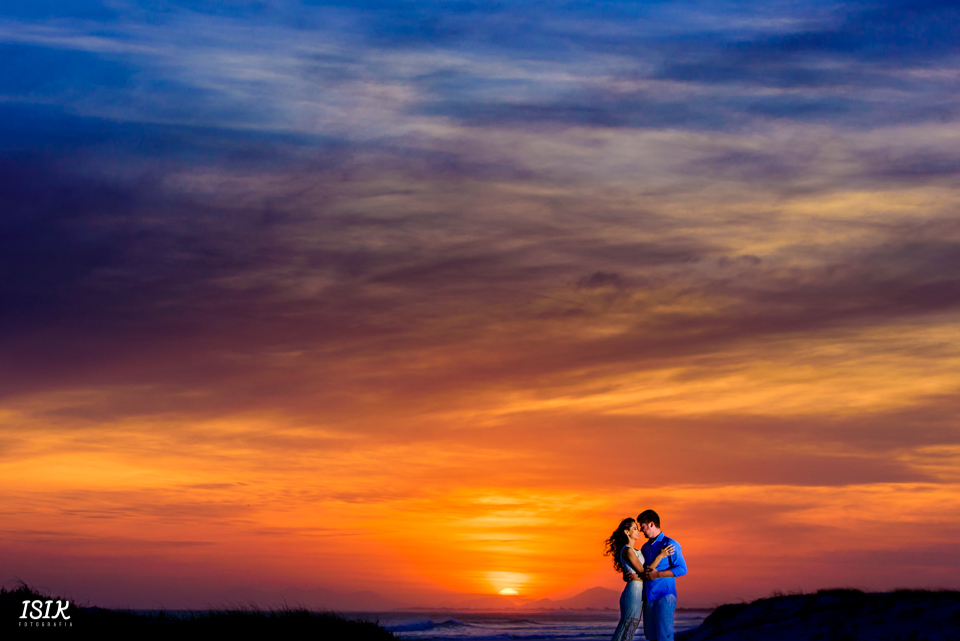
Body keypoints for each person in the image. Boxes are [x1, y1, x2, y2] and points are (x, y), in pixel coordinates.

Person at [604, 517, 676, 641]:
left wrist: (633, 576)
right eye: (635, 528)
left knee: (631, 627)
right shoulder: (628, 550)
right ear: (627, 532)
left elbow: (640, 572)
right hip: (634, 592)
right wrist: (660, 556)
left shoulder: (635, 550)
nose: (639, 531)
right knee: (627, 625)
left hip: (639, 592)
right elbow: (644, 573)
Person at [630, 509, 687, 641]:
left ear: (651, 524)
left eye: (643, 526)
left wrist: (658, 574)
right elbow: (643, 572)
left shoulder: (670, 544)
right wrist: (630, 575)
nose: (641, 530)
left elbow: (682, 569)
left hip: (664, 596)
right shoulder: (645, 548)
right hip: (648, 598)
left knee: (664, 637)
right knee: (651, 637)